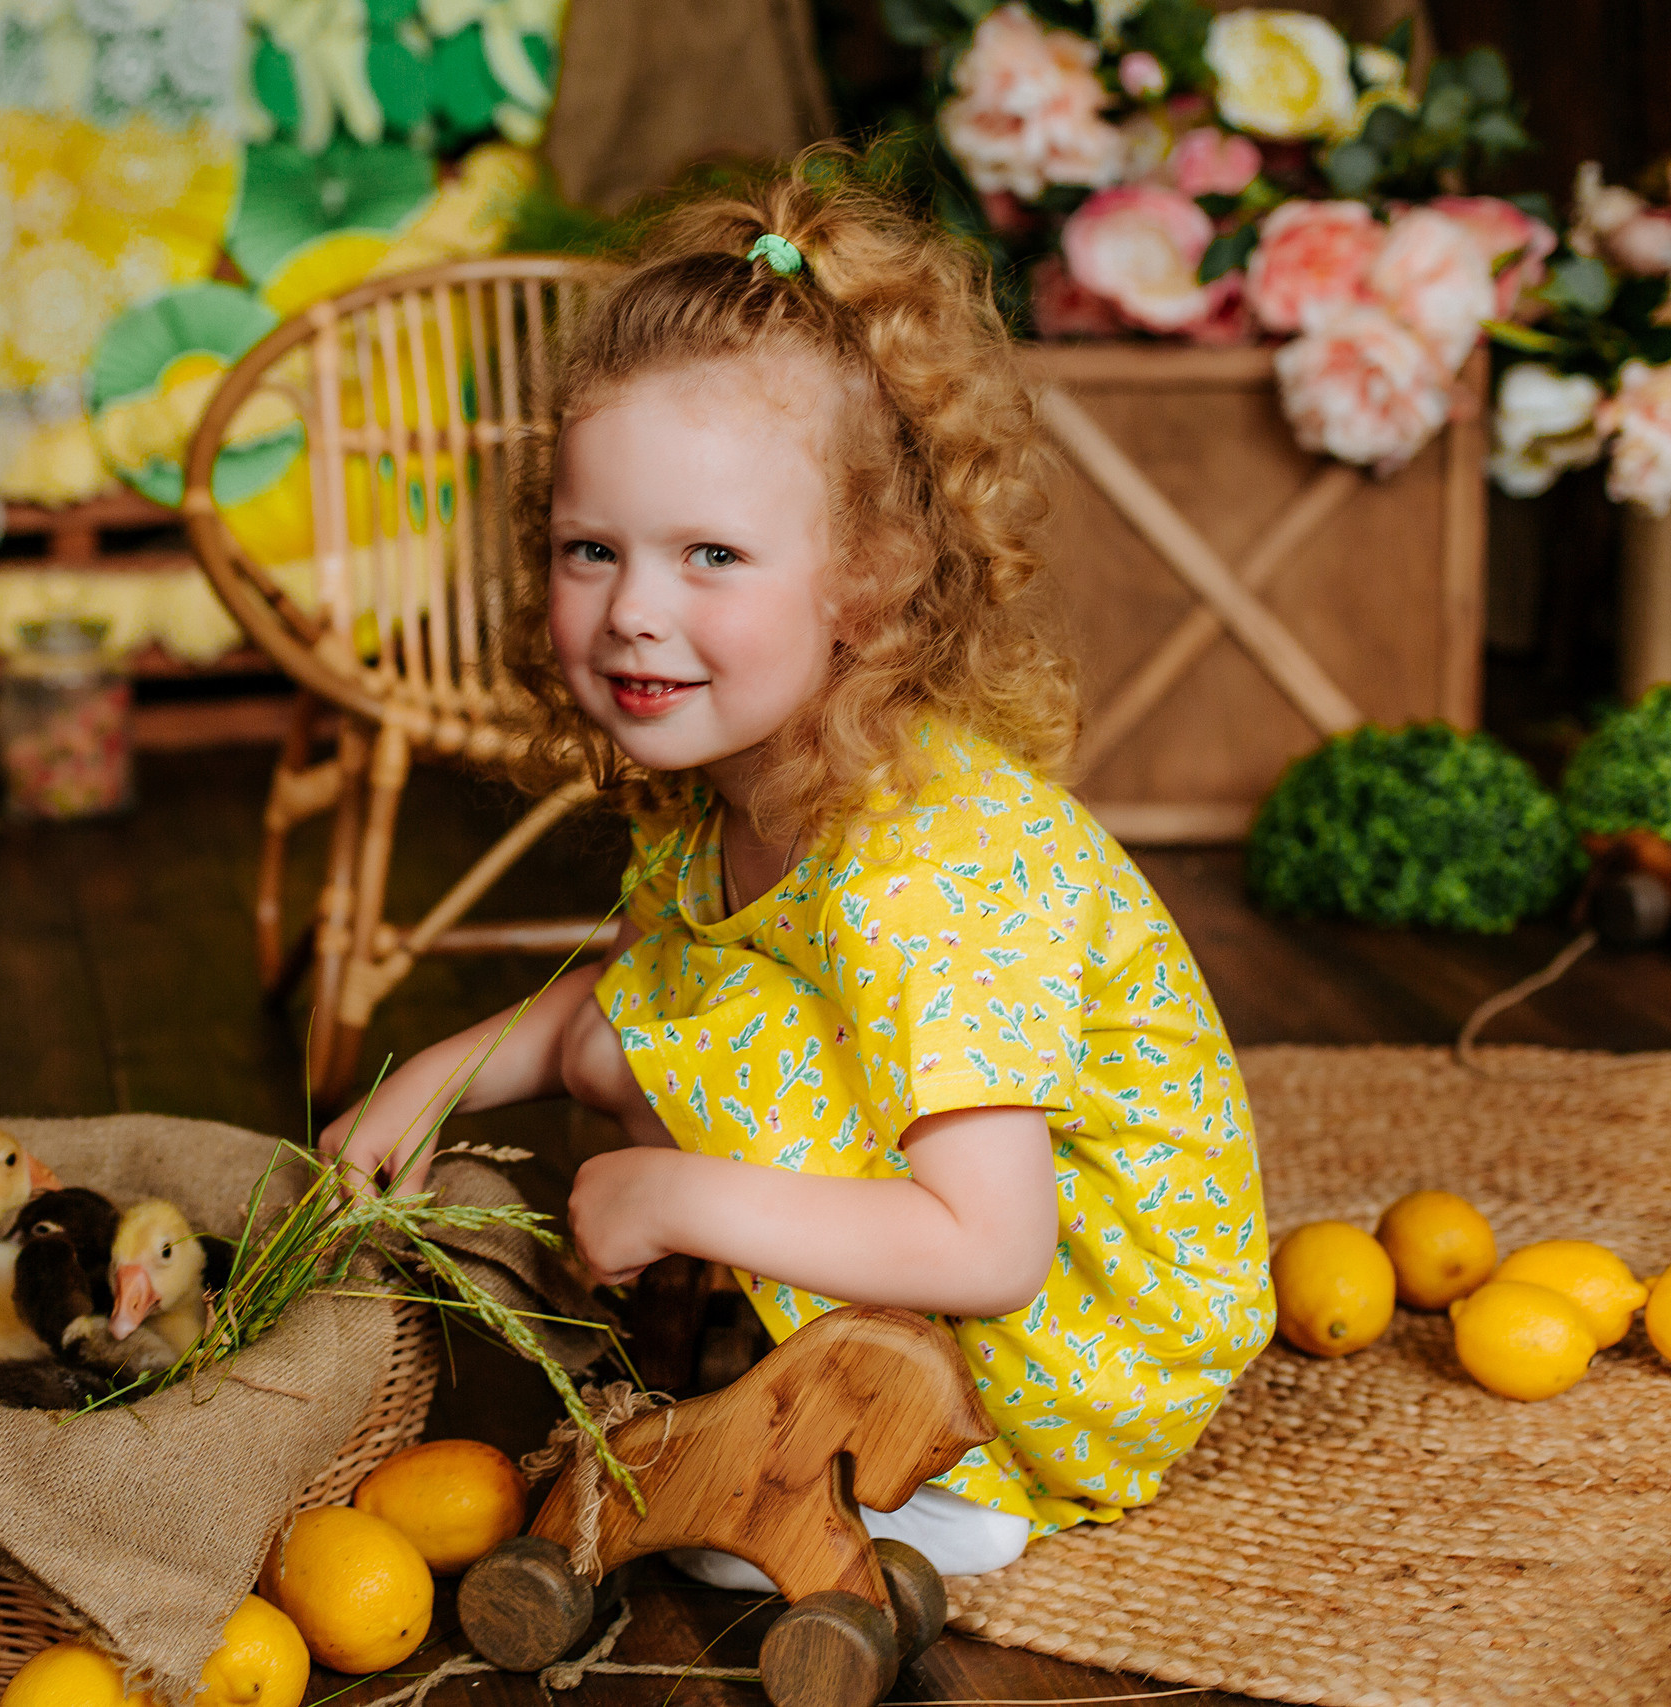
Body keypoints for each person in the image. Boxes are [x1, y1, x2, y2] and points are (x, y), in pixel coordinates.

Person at [321, 152, 1274, 1582]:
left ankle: (918, 1480)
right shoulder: (735, 787)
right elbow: (640, 991)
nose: (636, 611)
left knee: (703, 1046)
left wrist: (682, 1198)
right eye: (594, 549)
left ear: (868, 579)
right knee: (683, 1007)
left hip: (1085, 1338)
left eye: (711, 554)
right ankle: (809, 1365)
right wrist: (429, 1077)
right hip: (1002, 1264)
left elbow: (992, 1246)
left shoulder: (932, 861)